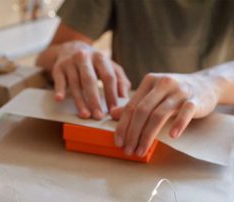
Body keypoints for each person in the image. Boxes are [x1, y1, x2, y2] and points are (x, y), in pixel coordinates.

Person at [36, 0, 234, 157]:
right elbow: (46, 58)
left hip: (219, 143)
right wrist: (71, 50)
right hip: (122, 131)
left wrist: (210, 83)